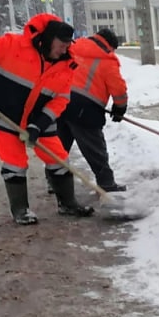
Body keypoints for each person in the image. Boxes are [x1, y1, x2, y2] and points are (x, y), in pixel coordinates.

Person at [0, 13, 94, 224]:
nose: (63, 50)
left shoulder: (66, 65)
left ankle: (68, 204)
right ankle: (21, 210)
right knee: (15, 163)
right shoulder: (14, 46)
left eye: (67, 45)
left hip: (39, 118)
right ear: (48, 39)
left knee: (59, 158)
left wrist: (37, 125)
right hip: (5, 116)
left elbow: (60, 100)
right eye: (60, 45)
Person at [51, 26, 130, 193]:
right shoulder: (107, 60)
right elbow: (118, 90)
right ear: (110, 45)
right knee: (95, 149)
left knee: (58, 146)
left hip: (59, 101)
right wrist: (120, 108)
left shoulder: (73, 47)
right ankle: (106, 183)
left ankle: (54, 181)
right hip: (84, 109)